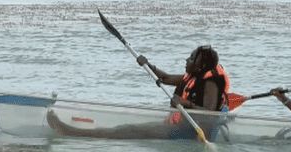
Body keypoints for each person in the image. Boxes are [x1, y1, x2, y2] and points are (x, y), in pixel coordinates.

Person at [47, 45, 231, 139]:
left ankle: (72, 132)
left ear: (201, 66)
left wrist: (186, 104)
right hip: (179, 127)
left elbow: (209, 115)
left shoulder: (210, 84)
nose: (187, 59)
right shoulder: (193, 76)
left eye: (191, 58)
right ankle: (76, 132)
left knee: (128, 130)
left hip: (186, 133)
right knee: (126, 129)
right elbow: (165, 78)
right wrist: (147, 64)